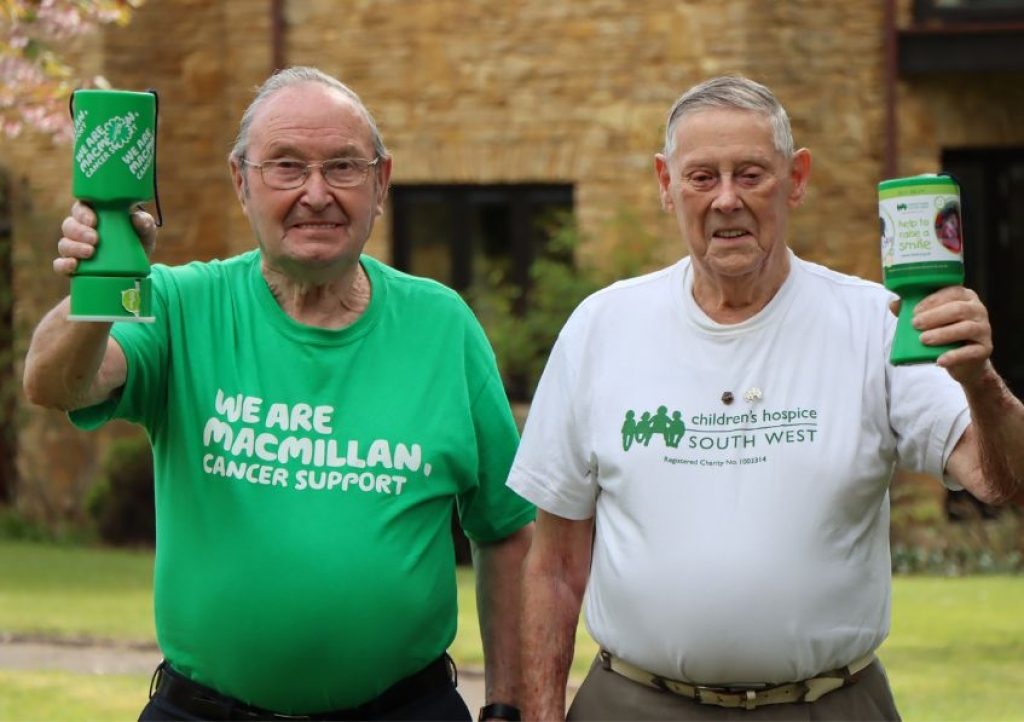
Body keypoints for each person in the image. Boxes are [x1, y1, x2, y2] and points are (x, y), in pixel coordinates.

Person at [23, 66, 534, 722]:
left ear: (381, 183)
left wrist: (509, 708)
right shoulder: (181, 305)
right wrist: (102, 282)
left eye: (343, 167)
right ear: (241, 182)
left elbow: (507, 530)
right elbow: (56, 383)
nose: (316, 193)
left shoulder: (442, 326)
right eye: (286, 167)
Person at [508, 75, 1024, 721]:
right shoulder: (602, 327)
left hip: (830, 705)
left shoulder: (873, 322)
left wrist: (980, 380)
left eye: (751, 174)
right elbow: (552, 568)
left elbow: (1002, 480)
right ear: (666, 185)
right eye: (702, 177)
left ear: (796, 178)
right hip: (635, 704)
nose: (727, 200)